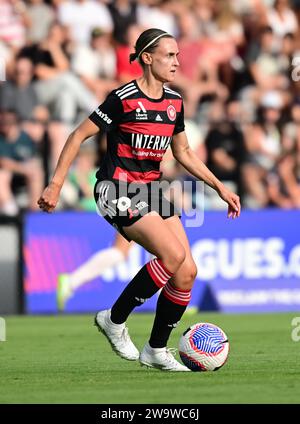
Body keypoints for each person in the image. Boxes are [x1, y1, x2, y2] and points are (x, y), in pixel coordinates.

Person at [38, 28, 241, 372]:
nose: (177, 62)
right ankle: (113, 319)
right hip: (115, 188)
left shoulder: (175, 102)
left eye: (178, 55)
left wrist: (219, 187)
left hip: (152, 190)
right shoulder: (123, 98)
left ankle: (155, 350)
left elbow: (184, 152)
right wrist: (55, 184)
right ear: (147, 58)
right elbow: (77, 136)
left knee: (187, 272)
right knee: (173, 256)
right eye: (170, 55)